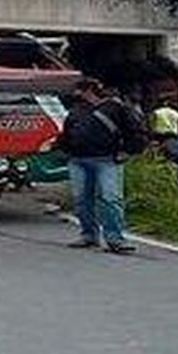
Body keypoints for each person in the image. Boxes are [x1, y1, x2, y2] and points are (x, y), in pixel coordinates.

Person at [58, 78, 147, 254]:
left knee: (110, 198)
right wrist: (64, 150)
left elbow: (136, 130)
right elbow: (67, 134)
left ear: (90, 90)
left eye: (80, 91)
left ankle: (115, 238)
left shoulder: (115, 108)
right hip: (78, 160)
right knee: (82, 199)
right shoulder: (76, 111)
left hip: (107, 160)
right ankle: (89, 234)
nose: (77, 95)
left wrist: (129, 151)